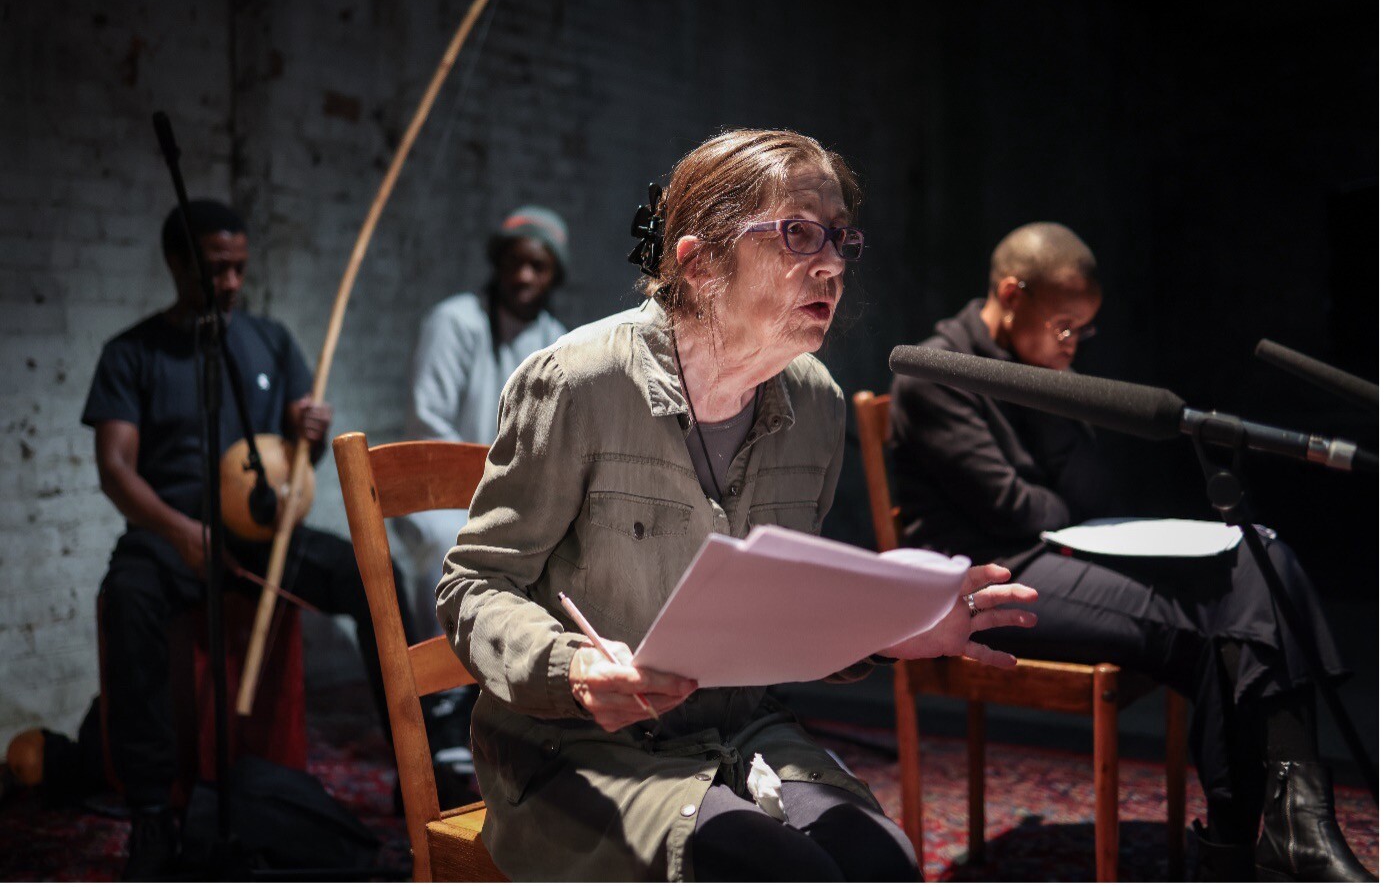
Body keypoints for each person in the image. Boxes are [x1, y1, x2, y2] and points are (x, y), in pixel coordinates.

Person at [435, 129, 1039, 881]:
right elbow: (472, 586)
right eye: (796, 234)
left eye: (840, 238)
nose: (830, 263)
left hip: (744, 731)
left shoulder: (816, 404)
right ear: (700, 263)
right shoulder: (577, 383)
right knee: (767, 868)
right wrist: (573, 666)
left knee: (885, 862)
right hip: (578, 748)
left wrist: (896, 628)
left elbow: (781, 621)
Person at [888, 221, 1371, 882]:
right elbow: (1017, 513)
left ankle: (1295, 820)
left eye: (1082, 331)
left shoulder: (1039, 366)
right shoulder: (937, 373)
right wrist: (1052, 452)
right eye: (1064, 325)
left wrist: (1049, 401)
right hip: (988, 579)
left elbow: (1086, 494)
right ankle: (1245, 838)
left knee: (1259, 556)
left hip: (1061, 554)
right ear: (1010, 292)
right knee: (1218, 624)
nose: (1072, 344)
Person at [82, 200, 412, 880]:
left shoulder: (269, 341)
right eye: (215, 269)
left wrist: (309, 439)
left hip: (258, 533)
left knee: (370, 576)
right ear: (178, 263)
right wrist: (178, 529)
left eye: (239, 268)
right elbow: (115, 470)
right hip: (168, 535)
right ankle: (151, 806)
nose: (230, 283)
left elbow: (295, 467)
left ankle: (418, 765)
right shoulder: (132, 353)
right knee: (126, 597)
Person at [396, 205, 569, 638]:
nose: (524, 276)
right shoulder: (455, 322)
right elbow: (429, 423)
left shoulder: (559, 339)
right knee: (449, 543)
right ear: (497, 264)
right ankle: (443, 693)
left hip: (512, 500)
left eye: (538, 266)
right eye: (515, 262)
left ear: (554, 276)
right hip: (441, 496)